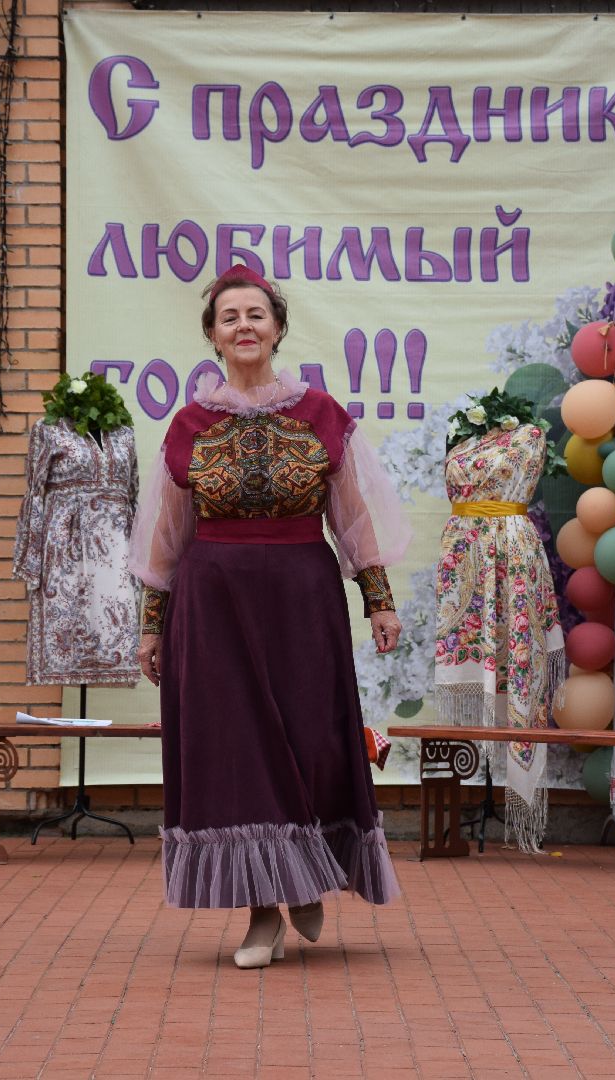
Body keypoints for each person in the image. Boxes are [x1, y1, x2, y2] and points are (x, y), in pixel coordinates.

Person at [128, 265, 411, 970]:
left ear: (278, 328)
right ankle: (263, 914)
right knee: (237, 755)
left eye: (256, 314)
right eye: (230, 317)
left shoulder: (320, 416)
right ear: (212, 336)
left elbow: (350, 518)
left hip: (301, 601)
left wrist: (378, 599)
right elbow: (168, 535)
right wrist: (152, 623)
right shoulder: (188, 427)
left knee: (310, 741)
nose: (244, 326)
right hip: (214, 608)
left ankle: (306, 875)